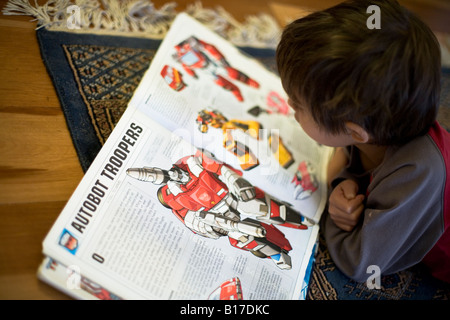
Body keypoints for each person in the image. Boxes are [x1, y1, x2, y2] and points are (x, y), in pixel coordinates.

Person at [276, 0, 450, 283]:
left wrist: (333, 214)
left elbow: (362, 264)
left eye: (297, 105)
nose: (289, 105)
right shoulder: (382, 121)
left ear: (356, 133)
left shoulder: (417, 172)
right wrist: (343, 181)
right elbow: (345, 161)